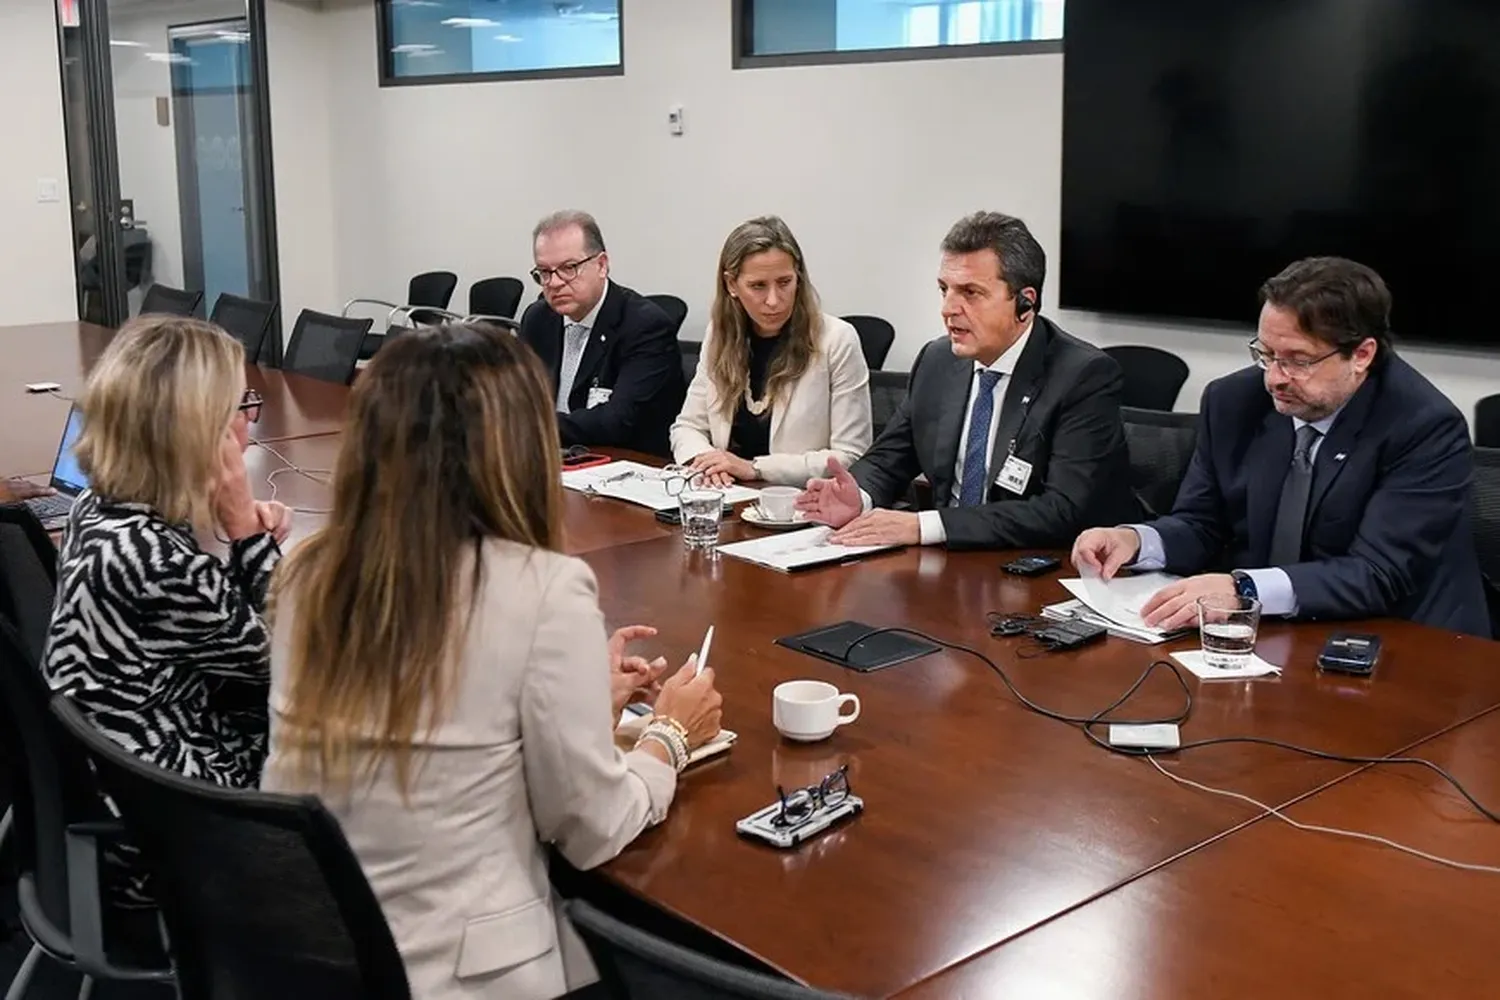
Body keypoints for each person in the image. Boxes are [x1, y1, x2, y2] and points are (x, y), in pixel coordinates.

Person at [262, 323, 723, 1000]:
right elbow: (592, 829)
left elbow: (439, 734)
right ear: (520, 450)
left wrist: (579, 700)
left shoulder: (309, 573)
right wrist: (668, 737)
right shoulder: (541, 590)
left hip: (312, 951)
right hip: (463, 975)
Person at [1072, 257, 1489, 636]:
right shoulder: (1234, 402)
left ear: (1361, 354)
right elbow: (1203, 523)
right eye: (1266, 354)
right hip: (1276, 635)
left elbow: (1377, 573)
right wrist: (1138, 540)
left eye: (1298, 360)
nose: (1274, 377)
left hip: (1405, 644)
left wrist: (1244, 589)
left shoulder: (1424, 426)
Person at [41, 315, 290, 943]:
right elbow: (291, 659)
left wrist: (232, 533)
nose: (250, 422)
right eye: (241, 406)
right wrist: (245, 532)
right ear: (195, 431)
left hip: (124, 787)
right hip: (177, 833)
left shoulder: (99, 508)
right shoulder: (153, 560)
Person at [795, 211, 1138, 549]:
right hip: (951, 567)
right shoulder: (937, 361)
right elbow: (890, 457)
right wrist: (858, 496)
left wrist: (925, 526)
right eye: (944, 289)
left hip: (1039, 570)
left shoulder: (1082, 376)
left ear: (1025, 303)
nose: (948, 308)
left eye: (970, 292)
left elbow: (1061, 510)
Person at [670, 216, 872, 486]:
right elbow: (687, 427)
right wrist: (708, 461)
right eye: (758, 286)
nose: (774, 300)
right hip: (729, 495)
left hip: (802, 503)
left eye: (785, 282)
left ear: (798, 277)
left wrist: (755, 468)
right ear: (731, 284)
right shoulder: (719, 335)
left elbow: (851, 455)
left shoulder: (837, 340)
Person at [518, 210, 686, 457]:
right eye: (544, 272)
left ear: (601, 265)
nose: (554, 283)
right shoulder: (538, 318)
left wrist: (528, 427)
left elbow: (615, 422)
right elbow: (520, 400)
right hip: (553, 459)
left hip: (624, 465)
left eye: (569, 268)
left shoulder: (645, 325)